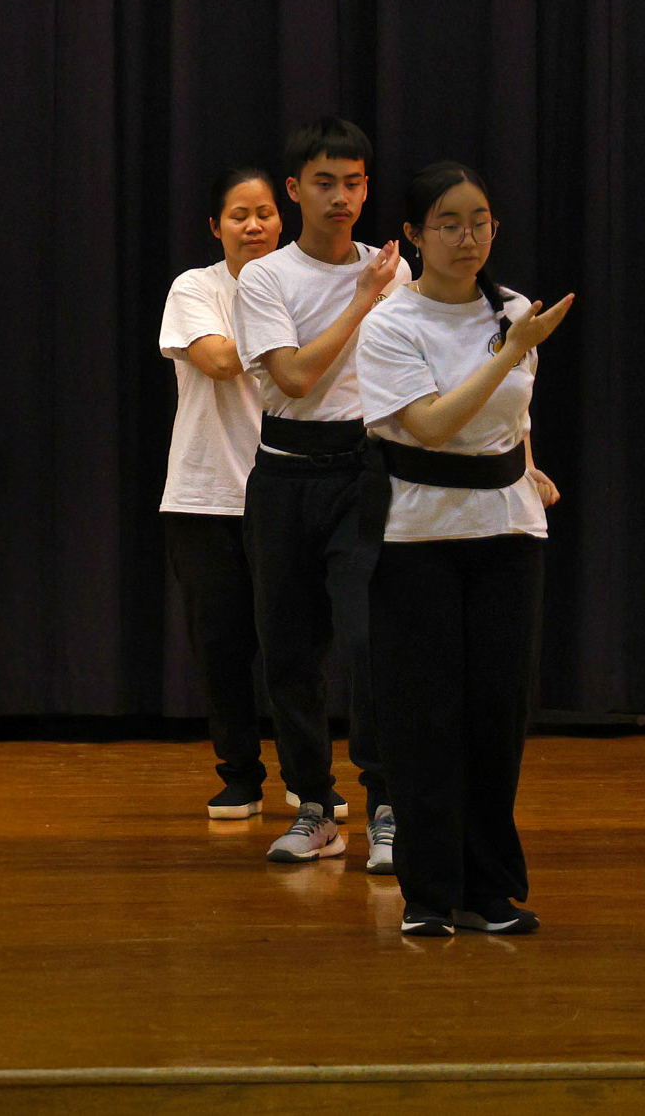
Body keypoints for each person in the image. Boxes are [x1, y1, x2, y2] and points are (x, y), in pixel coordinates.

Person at [359, 162, 571, 938]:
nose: (467, 237)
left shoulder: (511, 310)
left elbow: (514, 415)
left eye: (479, 221)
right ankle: (428, 892)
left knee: (497, 715)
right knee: (425, 718)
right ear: (413, 235)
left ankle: (488, 890)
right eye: (447, 223)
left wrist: (524, 464)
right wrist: (511, 351)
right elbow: (430, 426)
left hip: (508, 533)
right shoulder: (392, 323)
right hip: (416, 538)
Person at [234, 117, 405, 869]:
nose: (342, 196)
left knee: (370, 641)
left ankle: (389, 806)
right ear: (295, 189)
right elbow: (296, 378)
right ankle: (314, 807)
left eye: (354, 182)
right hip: (284, 474)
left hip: (366, 472)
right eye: (325, 182)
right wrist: (362, 300)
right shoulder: (266, 277)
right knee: (288, 651)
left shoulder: (395, 269)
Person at [157, 167, 283, 819]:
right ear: (216, 227)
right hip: (204, 499)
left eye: (264, 213)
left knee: (294, 646)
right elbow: (218, 360)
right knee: (222, 646)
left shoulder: (302, 285)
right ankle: (240, 774)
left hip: (287, 492)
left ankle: (309, 777)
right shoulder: (196, 287)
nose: (254, 225)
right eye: (239, 215)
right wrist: (299, 342)